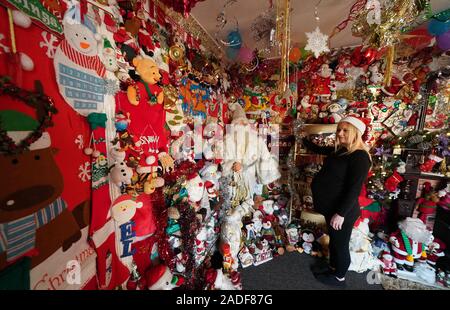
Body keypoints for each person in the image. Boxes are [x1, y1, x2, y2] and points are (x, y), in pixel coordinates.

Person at [302, 116, 371, 287]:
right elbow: (321, 150)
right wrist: (302, 138)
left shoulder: (360, 157)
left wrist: (340, 214)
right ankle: (333, 268)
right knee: (334, 240)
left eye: (345, 130)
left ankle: (339, 278)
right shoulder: (341, 150)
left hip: (342, 211)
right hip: (331, 208)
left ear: (356, 133)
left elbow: (353, 189)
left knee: (340, 244)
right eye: (339, 129)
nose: (339, 133)